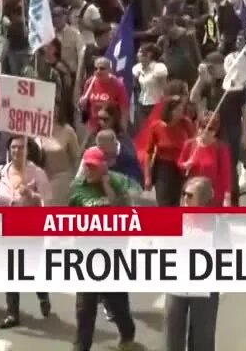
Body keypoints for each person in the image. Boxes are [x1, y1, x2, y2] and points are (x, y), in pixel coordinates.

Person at [70, 147, 143, 351]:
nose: (89, 170)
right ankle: (81, 346)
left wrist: (106, 185)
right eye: (87, 166)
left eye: (94, 166)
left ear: (103, 166)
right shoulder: (77, 188)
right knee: (85, 308)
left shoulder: (117, 182)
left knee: (117, 304)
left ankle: (127, 333)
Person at [0, 136, 53, 329]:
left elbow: (47, 203)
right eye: (13, 147)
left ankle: (42, 294)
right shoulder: (1, 172)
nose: (17, 151)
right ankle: (12, 314)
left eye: (21, 147)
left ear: (28, 150)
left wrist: (31, 196)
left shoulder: (37, 173)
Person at [163, 177, 220, 351]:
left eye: (189, 196)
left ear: (202, 200)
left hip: (204, 288)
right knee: (173, 334)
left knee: (202, 337)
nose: (184, 199)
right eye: (183, 195)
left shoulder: (216, 224)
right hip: (177, 285)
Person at [142, 94, 197, 207]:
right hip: (164, 168)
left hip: (181, 168)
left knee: (176, 202)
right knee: (164, 202)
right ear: (169, 110)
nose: (180, 113)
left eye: (181, 109)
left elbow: (194, 145)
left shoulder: (186, 124)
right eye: (176, 110)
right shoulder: (156, 126)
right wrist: (147, 176)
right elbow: (148, 152)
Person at [179, 114, 232, 206]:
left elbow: (226, 174)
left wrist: (227, 198)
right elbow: (180, 164)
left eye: (210, 129)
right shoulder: (189, 144)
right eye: (203, 127)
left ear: (216, 131)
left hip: (212, 195)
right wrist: (185, 165)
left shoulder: (221, 148)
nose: (205, 131)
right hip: (192, 194)